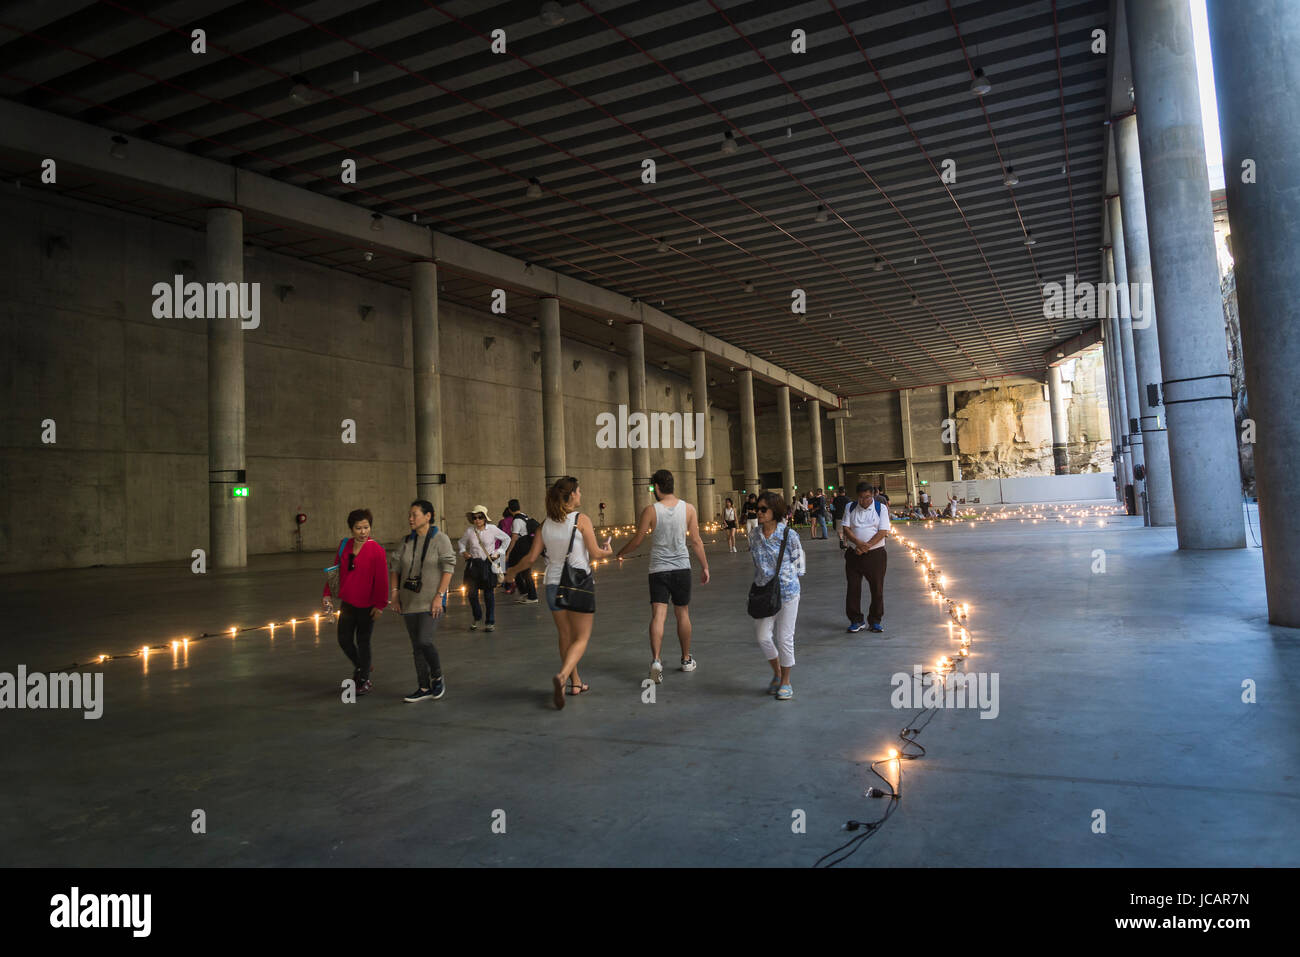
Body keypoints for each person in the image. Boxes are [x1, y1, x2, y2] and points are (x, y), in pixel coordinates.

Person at [505, 476, 613, 709]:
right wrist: (607, 551)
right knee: (581, 638)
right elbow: (594, 553)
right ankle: (563, 676)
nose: (581, 494)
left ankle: (575, 682)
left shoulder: (545, 525)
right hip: (578, 584)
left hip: (553, 584)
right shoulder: (581, 520)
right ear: (571, 495)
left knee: (565, 635)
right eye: (579, 491)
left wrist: (511, 572)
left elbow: (531, 559)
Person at [615, 468, 710, 684]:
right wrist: (705, 566)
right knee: (683, 614)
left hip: (658, 569)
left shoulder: (650, 510)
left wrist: (621, 552)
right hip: (681, 568)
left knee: (659, 615)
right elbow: (696, 541)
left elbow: (638, 540)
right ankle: (686, 660)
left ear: (656, 487)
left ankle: (656, 662)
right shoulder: (689, 509)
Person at [390, 500, 456, 702]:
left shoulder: (440, 539)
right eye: (409, 515)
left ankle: (437, 675)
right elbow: (395, 568)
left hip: (430, 601)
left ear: (428, 516)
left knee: (424, 640)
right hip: (409, 601)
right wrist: (394, 594)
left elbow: (448, 568)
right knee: (416, 647)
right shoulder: (406, 541)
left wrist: (439, 596)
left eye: (414, 515)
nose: (410, 519)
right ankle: (424, 686)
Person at [323, 508, 389, 696]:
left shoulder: (377, 550)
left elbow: (382, 579)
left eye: (366, 527)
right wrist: (327, 594)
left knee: (363, 640)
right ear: (351, 529)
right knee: (343, 639)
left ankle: (363, 679)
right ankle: (363, 665)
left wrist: (380, 605)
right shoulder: (344, 545)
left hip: (368, 605)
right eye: (358, 528)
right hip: (348, 603)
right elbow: (334, 572)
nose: (363, 532)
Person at [749, 491, 804, 701]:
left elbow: (800, 563)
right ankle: (777, 672)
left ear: (775, 511)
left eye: (764, 509)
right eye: (758, 509)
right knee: (763, 636)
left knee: (784, 638)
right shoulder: (753, 534)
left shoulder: (788, 534)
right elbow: (756, 562)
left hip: (788, 592)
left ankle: (786, 681)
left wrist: (788, 579)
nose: (759, 512)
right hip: (764, 591)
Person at [839, 482, 890, 634]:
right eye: (861, 498)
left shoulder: (881, 508)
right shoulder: (850, 507)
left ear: (873, 495)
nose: (864, 501)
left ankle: (875, 621)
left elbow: (883, 531)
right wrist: (858, 544)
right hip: (854, 555)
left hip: (875, 555)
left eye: (867, 497)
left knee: (877, 588)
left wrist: (866, 546)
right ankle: (856, 620)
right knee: (853, 588)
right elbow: (846, 528)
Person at [458, 505, 511, 632]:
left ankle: (490, 621)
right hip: (474, 565)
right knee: (471, 593)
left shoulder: (492, 529)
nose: (477, 520)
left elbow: (507, 539)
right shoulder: (470, 531)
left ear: (485, 518)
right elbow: (461, 542)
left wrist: (499, 552)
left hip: (487, 564)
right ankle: (477, 616)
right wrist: (463, 552)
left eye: (480, 517)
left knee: (488, 594)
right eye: (475, 517)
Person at [504, 499, 540, 603]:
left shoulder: (516, 521)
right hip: (528, 545)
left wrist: (508, 553)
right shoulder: (525, 516)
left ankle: (532, 596)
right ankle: (526, 593)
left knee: (524, 571)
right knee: (521, 570)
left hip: (522, 547)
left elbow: (514, 537)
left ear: (510, 510)